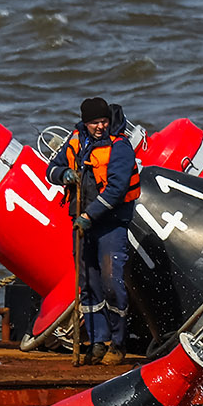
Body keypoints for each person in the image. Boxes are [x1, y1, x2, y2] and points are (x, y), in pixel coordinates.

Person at [46, 97, 140, 366]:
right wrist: (63, 174)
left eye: (103, 121)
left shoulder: (120, 148)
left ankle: (118, 344)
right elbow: (50, 169)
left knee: (112, 283)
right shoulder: (76, 141)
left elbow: (117, 189)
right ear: (85, 123)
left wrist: (89, 215)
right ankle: (98, 342)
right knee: (87, 284)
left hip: (110, 225)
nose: (100, 126)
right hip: (82, 225)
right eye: (94, 122)